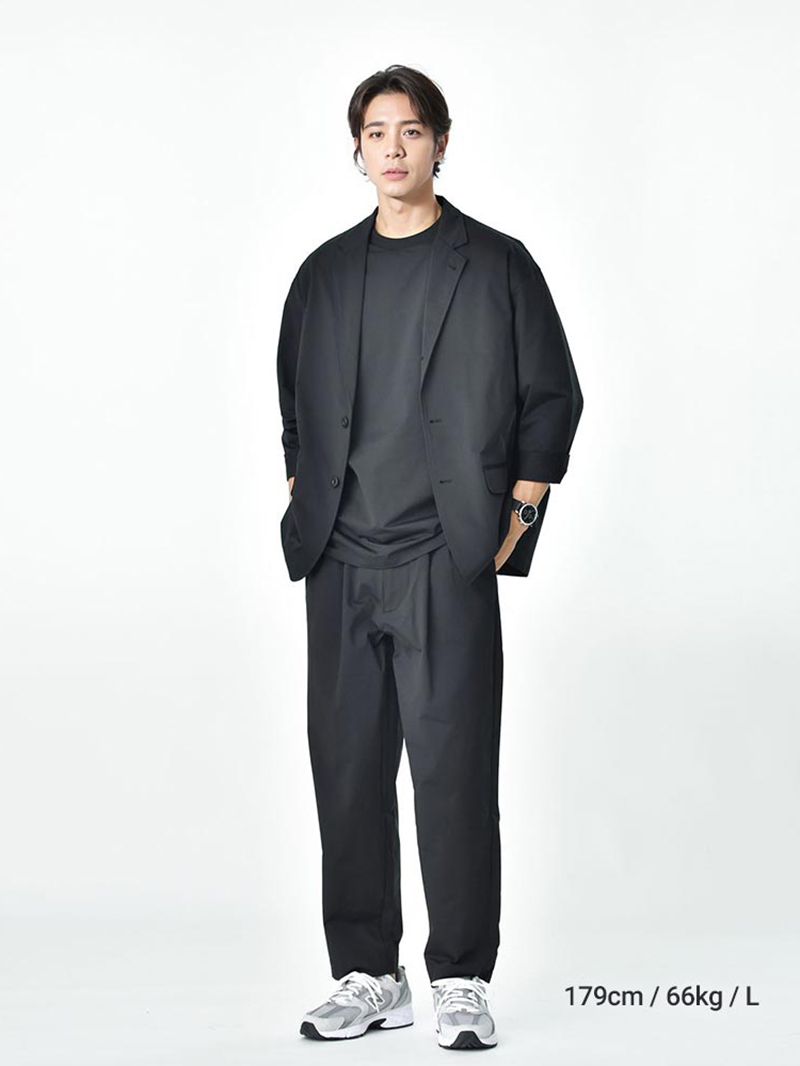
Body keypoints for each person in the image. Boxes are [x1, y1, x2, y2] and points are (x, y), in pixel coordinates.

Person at [275, 64, 583, 1050]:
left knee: (453, 773)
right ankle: (370, 973)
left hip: (444, 558)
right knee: (347, 773)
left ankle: (459, 976)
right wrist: (302, 491)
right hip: (341, 560)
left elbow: (552, 397)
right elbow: (295, 405)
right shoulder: (324, 274)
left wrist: (517, 517)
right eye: (376, 132)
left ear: (440, 143)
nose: (393, 148)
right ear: (356, 149)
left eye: (411, 130)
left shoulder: (494, 265)